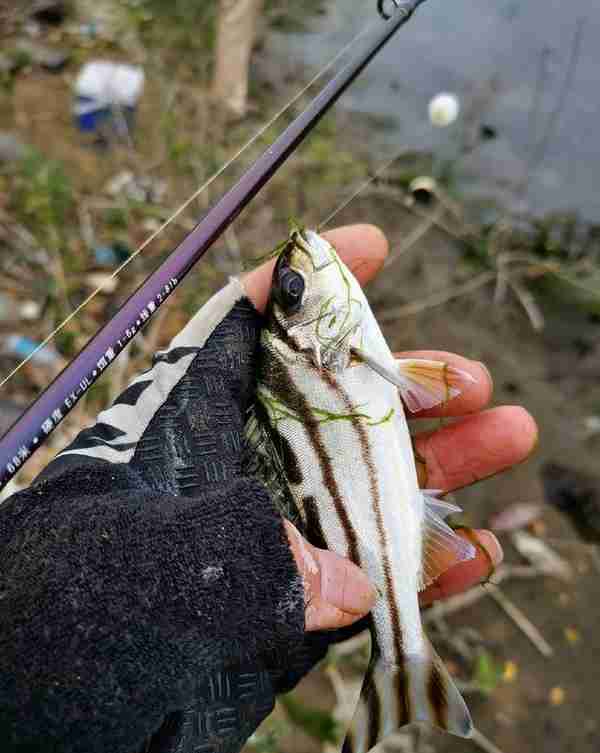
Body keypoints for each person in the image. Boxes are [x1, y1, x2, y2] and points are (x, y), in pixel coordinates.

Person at [0, 225, 537, 753]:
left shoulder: (335, 350)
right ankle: (403, 659)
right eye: (294, 292)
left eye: (293, 289)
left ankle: (401, 666)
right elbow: (436, 383)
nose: (302, 260)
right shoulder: (341, 351)